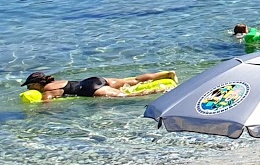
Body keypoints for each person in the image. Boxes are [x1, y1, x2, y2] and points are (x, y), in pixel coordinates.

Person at [22, 69, 176, 100]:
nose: (28, 88)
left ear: (36, 84)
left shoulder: (47, 90)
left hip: (91, 89)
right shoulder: (56, 82)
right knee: (134, 80)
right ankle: (167, 73)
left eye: (29, 85)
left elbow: (47, 104)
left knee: (128, 95)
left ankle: (165, 89)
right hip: (93, 80)